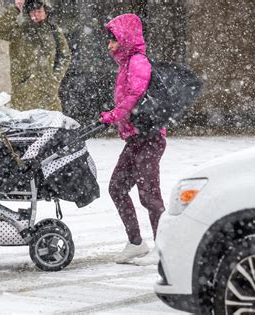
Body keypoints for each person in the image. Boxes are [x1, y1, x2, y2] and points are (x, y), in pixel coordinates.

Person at [100, 14, 166, 265]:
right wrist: (115, 117)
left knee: (149, 195)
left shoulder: (138, 61)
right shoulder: (125, 64)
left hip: (149, 138)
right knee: (116, 188)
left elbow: (134, 95)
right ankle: (136, 243)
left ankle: (164, 248)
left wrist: (114, 115)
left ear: (124, 38)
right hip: (135, 139)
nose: (109, 46)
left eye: (113, 40)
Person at [0, 0, 71, 111]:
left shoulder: (54, 31)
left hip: (49, 96)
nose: (36, 15)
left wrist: (55, 78)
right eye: (32, 12)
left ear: (46, 13)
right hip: (24, 96)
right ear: (28, 14)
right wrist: (15, 9)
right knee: (25, 126)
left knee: (50, 126)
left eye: (39, 11)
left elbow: (64, 56)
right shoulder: (19, 31)